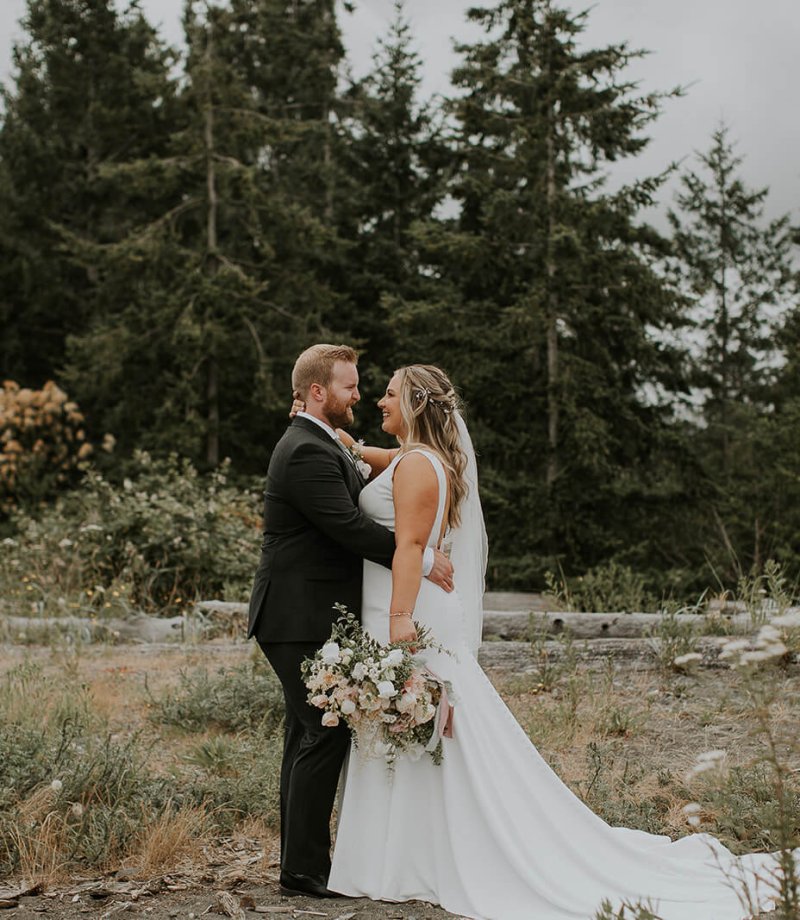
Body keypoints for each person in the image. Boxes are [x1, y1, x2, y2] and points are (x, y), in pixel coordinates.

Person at [325, 363, 788, 920]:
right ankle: (402, 853)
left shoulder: (419, 467)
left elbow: (408, 548)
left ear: (418, 405)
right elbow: (379, 458)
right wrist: (342, 441)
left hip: (408, 612)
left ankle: (422, 854)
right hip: (404, 609)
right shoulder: (415, 459)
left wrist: (400, 616)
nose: (379, 400)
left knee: (426, 722)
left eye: (391, 393)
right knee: (418, 725)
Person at [247, 345, 453, 900]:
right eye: (349, 386)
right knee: (323, 730)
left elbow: (367, 468)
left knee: (306, 731)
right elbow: (348, 527)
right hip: (297, 613)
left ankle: (300, 864)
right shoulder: (306, 450)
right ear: (318, 392)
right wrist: (423, 558)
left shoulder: (319, 441)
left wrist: (355, 447)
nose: (358, 395)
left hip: (305, 611)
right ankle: (305, 871)